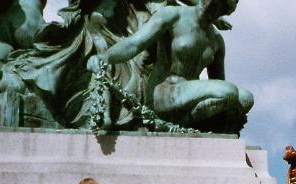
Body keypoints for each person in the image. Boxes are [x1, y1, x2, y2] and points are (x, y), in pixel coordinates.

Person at [87, 0, 253, 133]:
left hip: (189, 99)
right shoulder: (173, 15)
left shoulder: (216, 41)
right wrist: (105, 57)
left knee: (245, 98)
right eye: (212, 2)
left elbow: (219, 83)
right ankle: (172, 122)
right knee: (229, 91)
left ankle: (182, 124)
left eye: (220, 6)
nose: (211, 7)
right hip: (163, 91)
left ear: (225, 11)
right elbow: (135, 44)